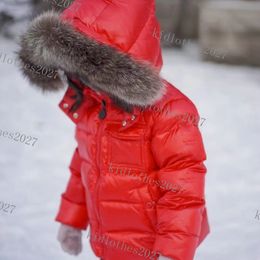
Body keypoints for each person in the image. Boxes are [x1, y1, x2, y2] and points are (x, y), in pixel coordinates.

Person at [17, 0, 210, 259]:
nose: (76, 77)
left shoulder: (172, 113)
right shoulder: (93, 105)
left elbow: (183, 192)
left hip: (153, 249)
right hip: (108, 242)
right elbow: (84, 164)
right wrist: (72, 220)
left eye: (86, 68)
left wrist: (172, 252)